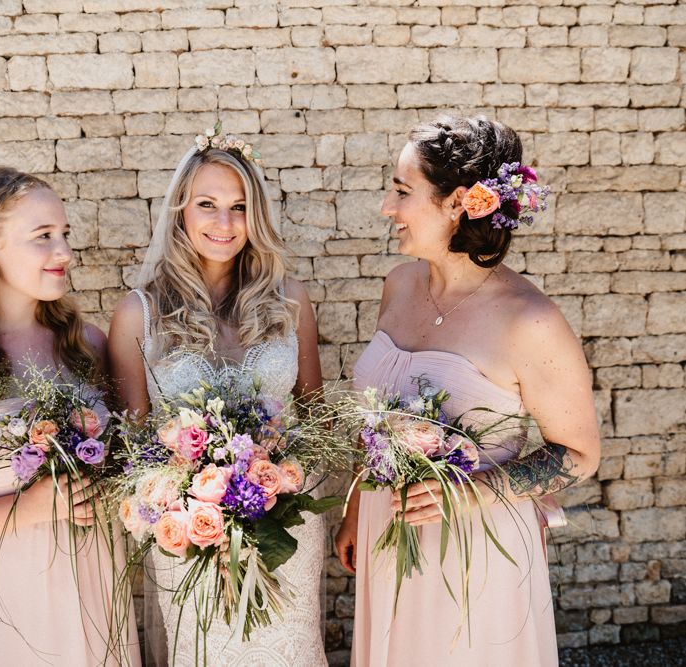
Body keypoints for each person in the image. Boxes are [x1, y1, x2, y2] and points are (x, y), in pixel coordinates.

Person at [335, 116, 601, 666]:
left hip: (476, 548)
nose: (388, 207)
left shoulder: (529, 321)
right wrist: (359, 506)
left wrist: (468, 493)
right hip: (390, 533)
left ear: (458, 204)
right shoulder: (399, 284)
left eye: (402, 191)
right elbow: (379, 416)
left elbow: (578, 455)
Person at [108, 126, 328, 666]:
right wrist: (190, 496)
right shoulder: (139, 313)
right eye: (207, 204)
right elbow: (133, 447)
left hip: (287, 524)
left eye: (239, 207)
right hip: (188, 535)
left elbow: (319, 419)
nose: (225, 223)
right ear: (181, 209)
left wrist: (282, 483)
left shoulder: (290, 302)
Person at [0, 167, 140, 665]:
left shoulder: (88, 346)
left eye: (64, 235)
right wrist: (34, 507)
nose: (64, 253)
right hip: (0, 607)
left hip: (94, 588)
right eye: (43, 237)